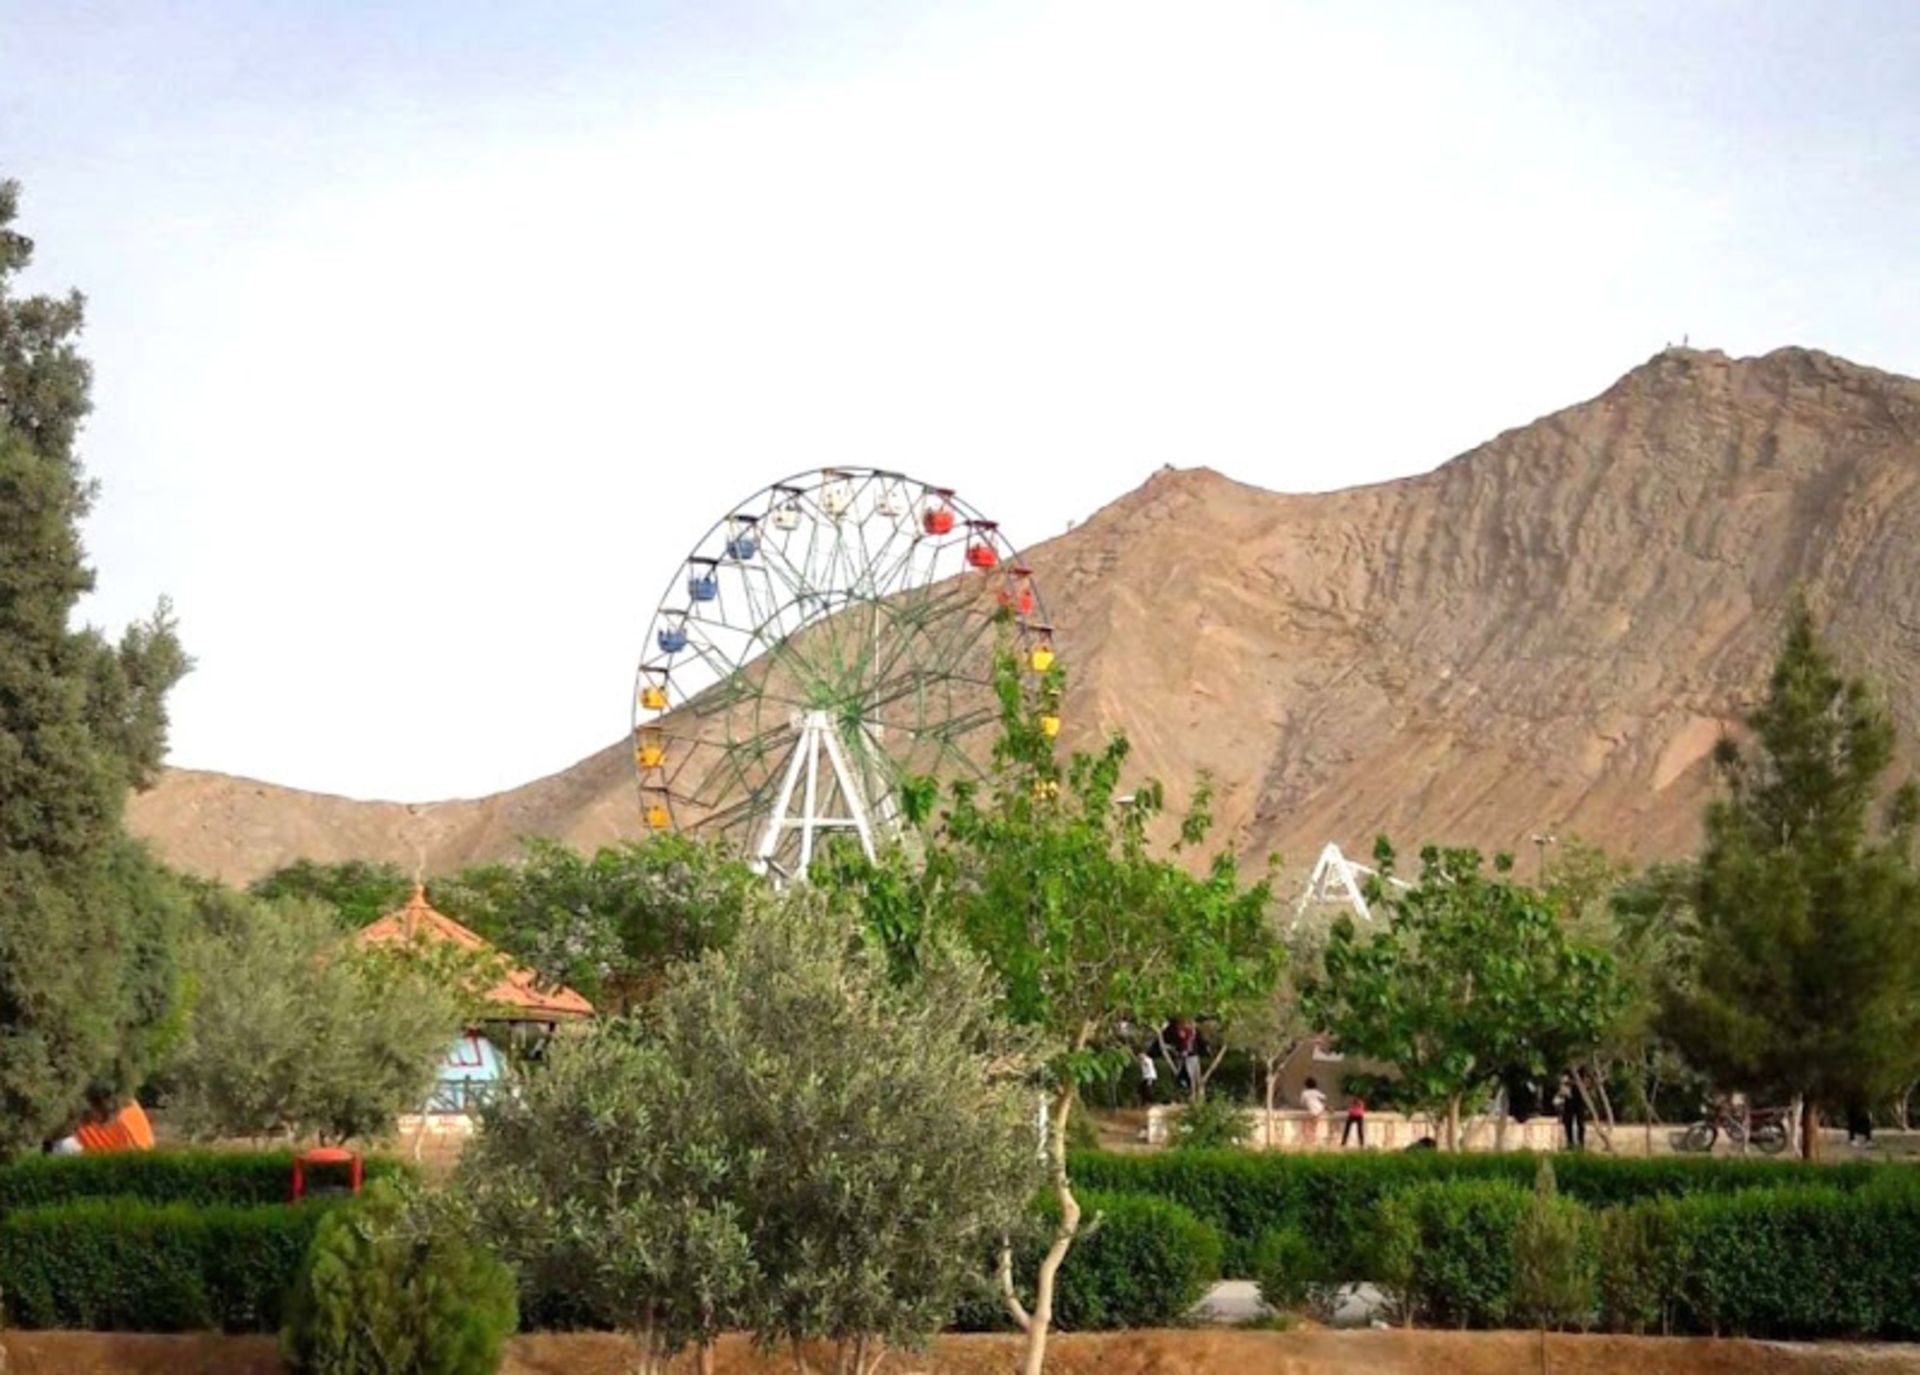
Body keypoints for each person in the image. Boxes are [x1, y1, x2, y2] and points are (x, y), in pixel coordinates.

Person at [1558, 1072, 1587, 1150]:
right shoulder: (1568, 1069)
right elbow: (1563, 1080)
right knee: (1568, 1121)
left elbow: (1585, 1081)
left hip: (1580, 1097)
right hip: (1569, 1097)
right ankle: (1570, 1143)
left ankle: (1581, 1144)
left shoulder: (1582, 1069)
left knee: (1580, 1122)